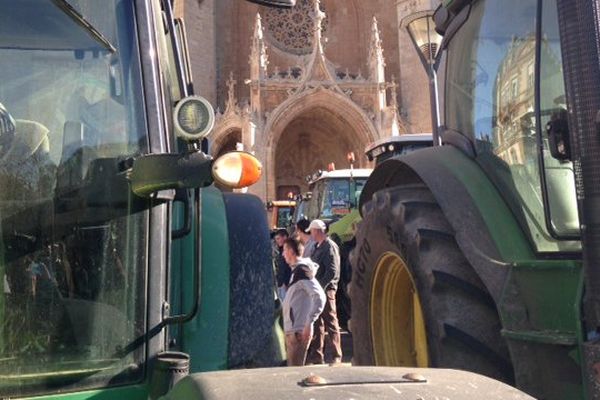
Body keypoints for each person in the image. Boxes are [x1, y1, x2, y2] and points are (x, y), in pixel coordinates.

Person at [281, 237, 326, 366]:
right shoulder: (297, 271)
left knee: (294, 373)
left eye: (284, 250)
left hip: (297, 332)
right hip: (293, 331)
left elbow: (319, 297)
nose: (283, 254)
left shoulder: (302, 271)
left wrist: (309, 322)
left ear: (291, 251)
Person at [305, 219, 343, 364]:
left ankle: (336, 356)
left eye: (313, 231)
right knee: (318, 323)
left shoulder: (329, 247)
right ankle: (317, 356)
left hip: (326, 290)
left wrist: (320, 287)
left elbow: (332, 271)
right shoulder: (318, 246)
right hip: (318, 289)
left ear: (318, 231)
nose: (311, 234)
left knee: (331, 322)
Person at [273, 228, 291, 301]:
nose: (277, 241)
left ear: (285, 237)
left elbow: (287, 267)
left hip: (286, 282)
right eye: (276, 239)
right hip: (281, 281)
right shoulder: (281, 249)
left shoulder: (288, 249)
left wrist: (286, 283)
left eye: (278, 238)